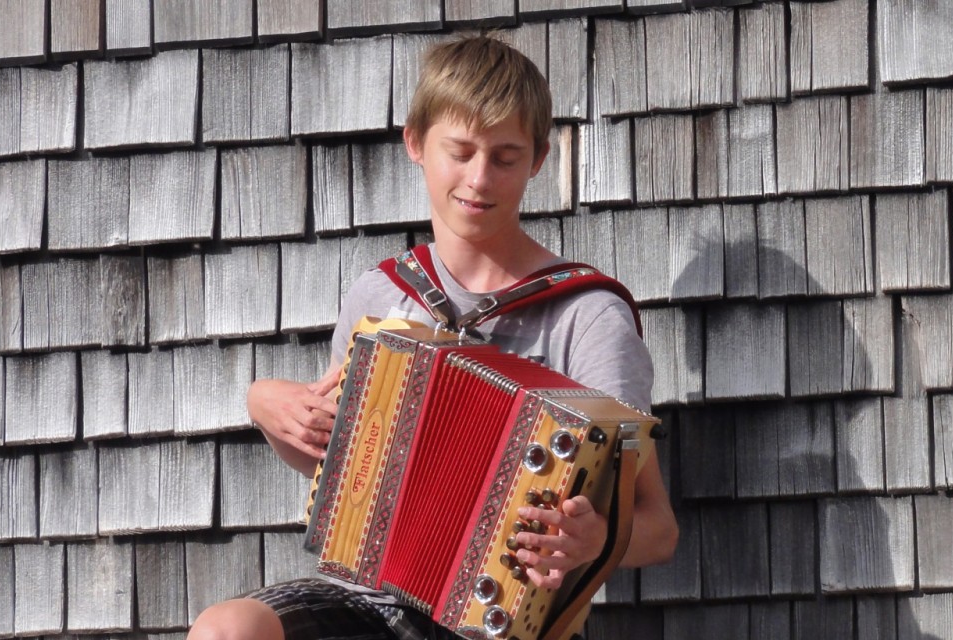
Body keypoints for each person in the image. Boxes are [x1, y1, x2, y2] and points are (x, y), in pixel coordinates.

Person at [189, 34, 678, 640]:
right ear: (416, 143)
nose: (479, 179)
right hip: (366, 598)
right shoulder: (383, 292)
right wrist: (268, 408)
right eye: (461, 151)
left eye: (504, 156)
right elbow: (333, 458)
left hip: (505, 621)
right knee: (227, 629)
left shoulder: (588, 316)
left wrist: (597, 540)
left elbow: (657, 526)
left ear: (538, 159)